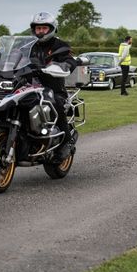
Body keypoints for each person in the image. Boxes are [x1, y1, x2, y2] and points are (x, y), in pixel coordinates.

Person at [29, 12, 78, 163]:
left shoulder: (60, 45)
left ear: (51, 29)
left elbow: (70, 60)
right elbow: (14, 57)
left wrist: (62, 66)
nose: (41, 31)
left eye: (44, 28)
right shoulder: (28, 45)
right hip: (28, 87)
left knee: (55, 102)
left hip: (52, 88)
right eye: (38, 28)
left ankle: (67, 143)